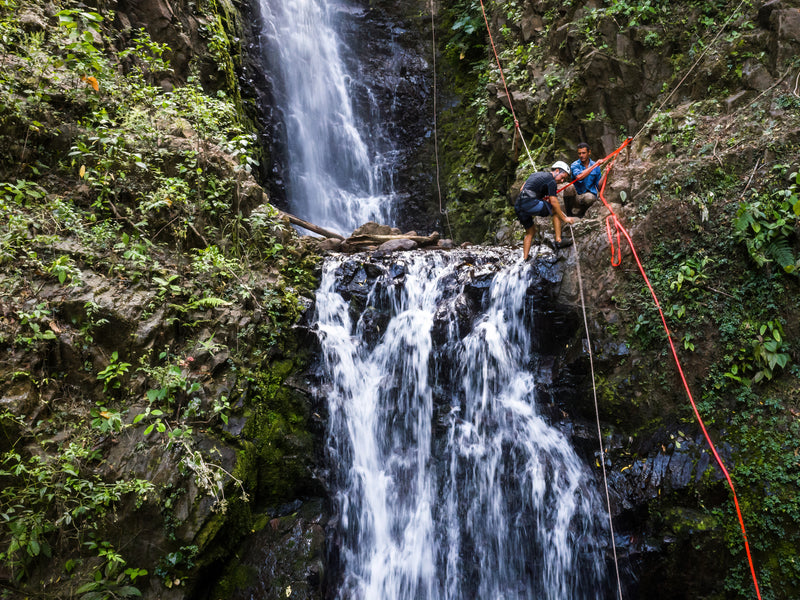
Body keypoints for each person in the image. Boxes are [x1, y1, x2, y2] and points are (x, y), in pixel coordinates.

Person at [514, 161, 575, 260]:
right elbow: (554, 201)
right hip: (529, 203)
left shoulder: (535, 175)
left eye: (564, 179)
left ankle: (525, 259)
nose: (562, 180)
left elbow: (522, 189)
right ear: (556, 170)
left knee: (530, 231)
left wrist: (537, 198)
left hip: (519, 205)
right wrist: (565, 218)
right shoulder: (551, 181)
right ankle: (559, 241)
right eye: (562, 177)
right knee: (555, 210)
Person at [563, 142, 603, 217]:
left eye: (584, 153)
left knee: (589, 198)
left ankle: (582, 214)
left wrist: (607, 171)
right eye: (579, 153)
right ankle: (569, 214)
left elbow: (599, 186)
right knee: (568, 187)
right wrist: (595, 165)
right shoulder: (575, 165)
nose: (581, 155)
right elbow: (579, 177)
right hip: (576, 196)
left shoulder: (596, 166)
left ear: (589, 152)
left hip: (588, 195)